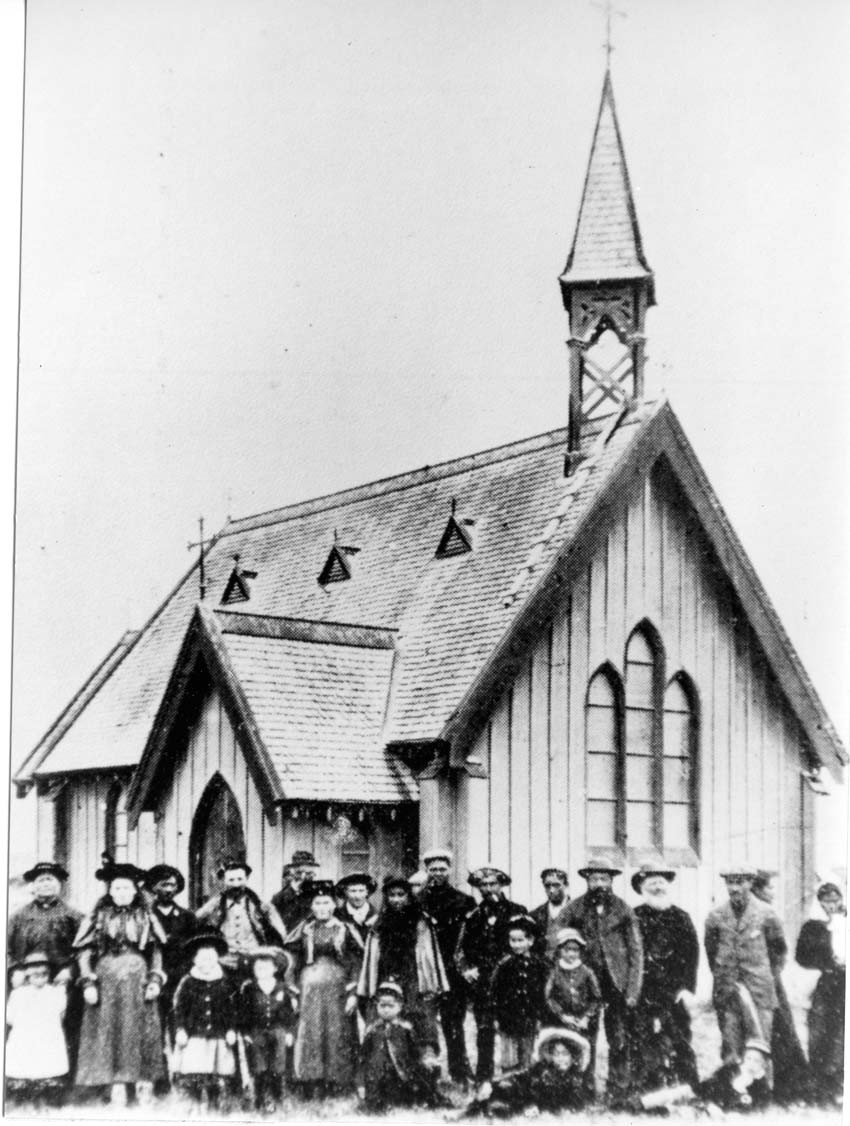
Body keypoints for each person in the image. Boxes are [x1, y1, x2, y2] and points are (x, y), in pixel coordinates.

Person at [73, 861, 167, 1105]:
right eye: (117, 889)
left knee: (139, 1027)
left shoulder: (146, 915)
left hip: (138, 976)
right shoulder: (98, 916)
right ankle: (114, 1083)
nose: (122, 893)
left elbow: (156, 951)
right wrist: (88, 983)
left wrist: (155, 979)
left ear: (135, 890)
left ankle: (142, 1080)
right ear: (110, 891)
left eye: (127, 888)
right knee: (108, 1028)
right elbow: (83, 951)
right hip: (106, 977)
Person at [561, 855, 643, 1107]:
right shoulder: (574, 908)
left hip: (617, 985)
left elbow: (636, 951)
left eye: (604, 878)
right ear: (586, 880)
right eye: (594, 878)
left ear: (611, 881)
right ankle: (583, 1089)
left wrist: (632, 989)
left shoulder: (623, 909)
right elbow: (556, 937)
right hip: (587, 986)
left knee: (618, 1038)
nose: (599, 883)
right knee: (585, 1038)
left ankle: (618, 1090)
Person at [704, 863, 786, 1070]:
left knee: (760, 1042)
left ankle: (760, 1092)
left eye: (740, 882)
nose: (734, 888)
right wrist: (724, 975)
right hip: (728, 989)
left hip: (759, 990)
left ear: (750, 883)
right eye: (730, 882)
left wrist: (764, 974)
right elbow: (711, 952)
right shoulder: (716, 916)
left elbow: (778, 951)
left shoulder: (767, 914)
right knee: (731, 1041)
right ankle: (732, 1090)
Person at [356, 875, 449, 1056]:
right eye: (392, 895)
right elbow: (373, 956)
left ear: (408, 896)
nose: (396, 899)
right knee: (383, 1016)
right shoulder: (378, 923)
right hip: (386, 975)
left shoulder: (420, 921)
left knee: (417, 1018)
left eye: (401, 895)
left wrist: (427, 982)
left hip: (414, 977)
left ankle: (421, 1068)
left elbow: (428, 956)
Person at [284, 879, 360, 1096]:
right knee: (311, 1032)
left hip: (338, 990)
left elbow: (356, 961)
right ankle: (309, 1080)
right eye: (317, 904)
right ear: (311, 907)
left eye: (326, 903)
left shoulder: (345, 929)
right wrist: (292, 989)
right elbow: (292, 959)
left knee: (337, 1033)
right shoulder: (305, 930)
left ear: (335, 905)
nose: (322, 908)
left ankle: (338, 1081)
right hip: (309, 991)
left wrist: (353, 994)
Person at [455, 864, 527, 1092]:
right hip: (484, 984)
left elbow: (527, 945)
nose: (488, 889)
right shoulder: (473, 916)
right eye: (483, 885)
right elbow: (460, 950)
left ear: (502, 884)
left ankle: (516, 1078)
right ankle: (483, 1078)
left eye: (492, 884)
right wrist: (467, 969)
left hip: (512, 982)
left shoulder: (517, 911)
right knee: (484, 1031)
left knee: (513, 1031)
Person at [7, 861, 83, 1074]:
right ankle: (23, 1080)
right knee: (25, 1030)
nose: (45, 885)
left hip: (61, 981)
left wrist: (70, 970)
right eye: (40, 881)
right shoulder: (18, 917)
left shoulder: (74, 917)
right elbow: (6, 948)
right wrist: (15, 969)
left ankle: (60, 1080)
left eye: (50, 880)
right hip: (26, 982)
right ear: (32, 885)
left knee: (61, 1030)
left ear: (59, 884)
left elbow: (86, 949)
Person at [631, 862, 700, 1093]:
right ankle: (648, 1086)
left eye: (661, 883)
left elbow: (692, 955)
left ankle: (688, 1084)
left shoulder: (681, 917)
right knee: (643, 1037)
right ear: (642, 888)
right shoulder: (634, 917)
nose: (658, 888)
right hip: (644, 990)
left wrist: (686, 988)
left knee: (679, 1036)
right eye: (652, 884)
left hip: (674, 990)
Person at [749, 867, 810, 1104]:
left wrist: (769, 975)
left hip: (771, 982)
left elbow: (780, 951)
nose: (773, 892)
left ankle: (792, 1089)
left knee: (782, 1032)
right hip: (754, 983)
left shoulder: (769, 914)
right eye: (770, 887)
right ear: (758, 889)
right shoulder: (748, 912)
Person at [417, 847, 476, 1085]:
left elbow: (471, 939)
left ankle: (459, 1071)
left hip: (452, 972)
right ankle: (427, 1072)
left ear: (450, 870)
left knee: (454, 1023)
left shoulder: (464, 900)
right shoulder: (418, 900)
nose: (438, 873)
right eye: (433, 869)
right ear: (426, 870)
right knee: (426, 1024)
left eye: (442, 869)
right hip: (427, 972)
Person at [172, 929, 240, 1110]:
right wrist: (180, 1030)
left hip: (218, 1034)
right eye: (202, 959)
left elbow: (231, 1009)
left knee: (216, 1073)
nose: (206, 963)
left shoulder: (225, 982)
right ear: (194, 960)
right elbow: (179, 1008)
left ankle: (213, 1102)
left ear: (217, 959)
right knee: (196, 1071)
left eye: (210, 958)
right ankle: (194, 1101)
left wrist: (231, 1029)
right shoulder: (188, 982)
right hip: (195, 1035)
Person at [142, 864, 197, 1084]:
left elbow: (193, 949)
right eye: (164, 885)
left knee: (179, 1027)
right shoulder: (145, 915)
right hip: (153, 978)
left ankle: (181, 1074)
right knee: (153, 1028)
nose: (169, 890)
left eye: (173, 885)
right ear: (154, 888)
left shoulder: (187, 917)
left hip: (179, 979)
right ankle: (157, 1077)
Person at [356, 981, 445, 1113]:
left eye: (390, 1006)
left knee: (416, 1084)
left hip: (400, 1073)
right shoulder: (372, 1031)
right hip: (379, 1075)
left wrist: (425, 1060)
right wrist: (361, 1084)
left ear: (400, 1007)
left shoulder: (405, 1029)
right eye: (382, 1006)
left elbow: (414, 1052)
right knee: (375, 1097)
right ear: (377, 1006)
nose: (386, 1010)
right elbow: (363, 1058)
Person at [461, 1027, 590, 1117]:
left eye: (565, 1054)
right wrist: (492, 1083)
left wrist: (534, 1107)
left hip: (523, 1106)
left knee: (502, 1111)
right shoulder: (542, 1069)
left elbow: (572, 1106)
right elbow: (520, 1077)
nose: (560, 1059)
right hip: (516, 1095)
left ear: (573, 1058)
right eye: (556, 1054)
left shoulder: (575, 1080)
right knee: (494, 1095)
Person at [795, 881, 846, 1106]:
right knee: (818, 1030)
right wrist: (825, 963)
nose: (831, 905)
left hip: (845, 983)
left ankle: (837, 1083)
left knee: (841, 1032)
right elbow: (801, 956)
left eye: (835, 900)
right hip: (824, 983)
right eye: (826, 901)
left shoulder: (846, 921)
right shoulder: (812, 927)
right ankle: (818, 1083)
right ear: (819, 902)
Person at [195, 857, 288, 976]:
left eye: (240, 879)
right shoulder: (216, 903)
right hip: (225, 957)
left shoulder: (258, 903)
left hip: (252, 955)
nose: (236, 884)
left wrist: (282, 938)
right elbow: (196, 918)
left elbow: (277, 923)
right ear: (224, 881)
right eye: (231, 880)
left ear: (246, 879)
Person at [5, 952, 69, 1108]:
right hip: (26, 1034)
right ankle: (24, 1094)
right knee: (25, 1060)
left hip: (47, 1033)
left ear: (49, 975)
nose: (40, 979)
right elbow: (9, 1017)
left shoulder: (55, 992)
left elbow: (61, 1012)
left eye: (44, 975)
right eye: (35, 976)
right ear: (27, 976)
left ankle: (47, 1094)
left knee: (47, 1060)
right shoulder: (18, 994)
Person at [238, 947, 298, 1112]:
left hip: (277, 1032)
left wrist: (289, 1033)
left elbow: (289, 1014)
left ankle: (277, 1098)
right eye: (258, 968)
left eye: (265, 967)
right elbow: (244, 1014)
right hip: (257, 1032)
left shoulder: (282, 988)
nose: (261, 971)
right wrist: (246, 1033)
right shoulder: (250, 989)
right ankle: (259, 1099)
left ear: (275, 969)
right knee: (259, 1068)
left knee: (277, 1068)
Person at [489, 914, 549, 1071]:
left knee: (526, 1057)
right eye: (512, 940)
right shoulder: (504, 965)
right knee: (509, 1059)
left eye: (520, 940)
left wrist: (540, 1017)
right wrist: (496, 1016)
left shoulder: (539, 965)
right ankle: (508, 1090)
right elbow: (495, 992)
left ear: (530, 941)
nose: (516, 945)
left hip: (529, 1018)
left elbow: (543, 995)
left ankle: (525, 1090)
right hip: (507, 1019)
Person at [695, 1037, 772, 1112]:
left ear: (764, 1064)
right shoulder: (732, 1069)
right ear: (744, 1058)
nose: (751, 1064)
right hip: (713, 1100)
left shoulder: (761, 1084)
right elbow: (715, 1083)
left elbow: (757, 1106)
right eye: (748, 1058)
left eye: (756, 1061)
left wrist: (742, 1093)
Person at [271, 851, 320, 933]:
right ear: (292, 873)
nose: (303, 877)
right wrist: (293, 891)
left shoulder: (318, 896)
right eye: (299, 873)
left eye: (308, 873)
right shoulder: (280, 897)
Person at [530, 867, 571, 960]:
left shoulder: (577, 912)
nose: (551, 890)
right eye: (547, 886)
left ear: (566, 885)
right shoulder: (534, 915)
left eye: (556, 885)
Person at [335, 872, 378, 950]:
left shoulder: (377, 915)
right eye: (353, 891)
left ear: (367, 892)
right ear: (345, 892)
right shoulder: (337, 915)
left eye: (361, 891)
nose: (357, 896)